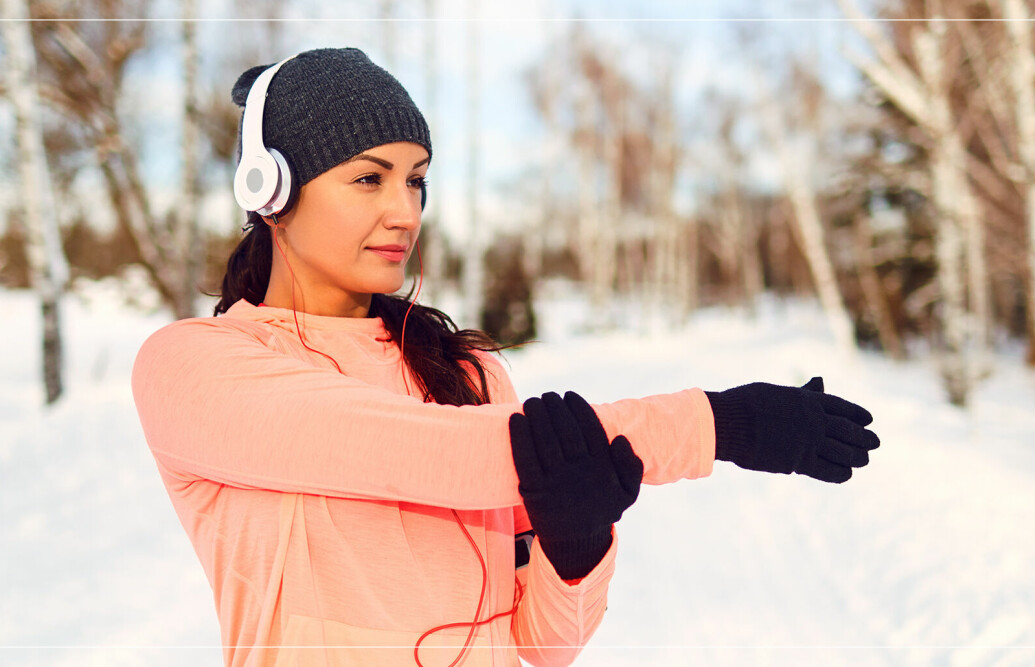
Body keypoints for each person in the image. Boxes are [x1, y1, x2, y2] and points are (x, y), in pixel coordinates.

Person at [131, 47, 879, 667]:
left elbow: (541, 644)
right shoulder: (197, 367)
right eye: (368, 178)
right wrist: (721, 422)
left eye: (416, 180)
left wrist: (576, 545)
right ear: (269, 187)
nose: (405, 211)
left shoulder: (465, 371)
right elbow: (428, 452)